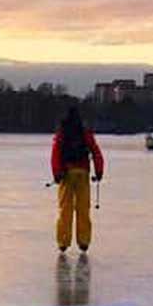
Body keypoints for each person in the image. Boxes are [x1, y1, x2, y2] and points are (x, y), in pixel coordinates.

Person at [51, 107, 104, 253]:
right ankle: (84, 241)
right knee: (83, 209)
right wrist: (99, 171)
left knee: (65, 210)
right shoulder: (85, 133)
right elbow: (96, 151)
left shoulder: (62, 133)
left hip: (66, 174)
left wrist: (56, 173)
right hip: (82, 173)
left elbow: (55, 153)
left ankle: (63, 241)